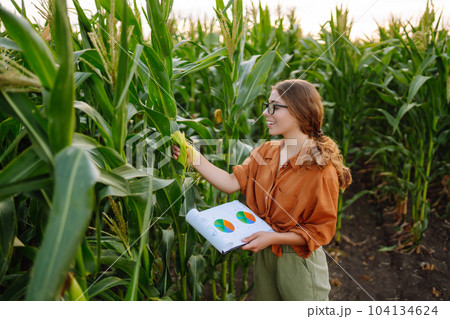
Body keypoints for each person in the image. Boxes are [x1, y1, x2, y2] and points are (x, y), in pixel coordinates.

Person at [172, 79, 352, 301]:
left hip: (298, 260)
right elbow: (230, 183)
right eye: (267, 105)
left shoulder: (319, 168)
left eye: (275, 107)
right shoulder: (266, 151)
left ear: (299, 111)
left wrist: (273, 237)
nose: (266, 113)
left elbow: (319, 232)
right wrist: (193, 158)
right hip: (265, 254)